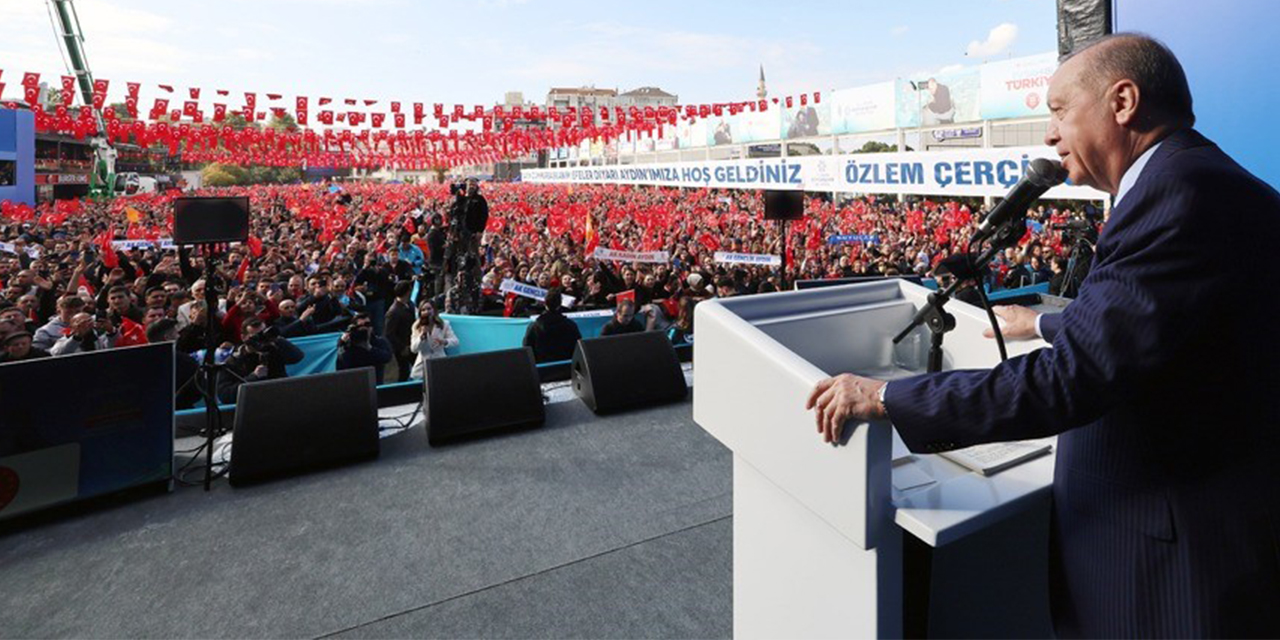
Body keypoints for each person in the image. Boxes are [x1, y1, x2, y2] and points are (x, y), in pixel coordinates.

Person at [805, 34, 1280, 637]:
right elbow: (1165, 328)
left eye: (1059, 110)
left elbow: (1074, 378)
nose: (1050, 135)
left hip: (1172, 560)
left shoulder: (1176, 196)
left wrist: (885, 397)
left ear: (1123, 101)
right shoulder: (1198, 179)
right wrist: (1044, 322)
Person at [522, 288, 581, 364]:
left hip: (541, 370)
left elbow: (527, 349)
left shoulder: (534, 327)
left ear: (545, 303)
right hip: (566, 368)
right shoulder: (571, 325)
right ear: (560, 304)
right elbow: (578, 348)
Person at [336, 313, 393, 384]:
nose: (365, 328)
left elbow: (387, 357)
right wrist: (343, 343)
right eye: (360, 326)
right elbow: (341, 365)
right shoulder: (349, 344)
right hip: (354, 384)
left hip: (375, 383)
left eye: (367, 325)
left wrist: (370, 348)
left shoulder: (379, 341)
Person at [409, 301, 458, 379]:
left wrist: (444, 341)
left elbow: (455, 341)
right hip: (423, 365)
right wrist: (421, 337)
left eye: (429, 309)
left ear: (434, 310)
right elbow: (413, 349)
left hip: (440, 362)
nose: (426, 312)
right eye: (423, 310)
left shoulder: (444, 324)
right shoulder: (416, 326)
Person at [383, 280, 417, 383]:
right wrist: (402, 347)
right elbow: (389, 334)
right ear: (408, 291)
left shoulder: (409, 305)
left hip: (412, 343)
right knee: (404, 371)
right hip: (403, 347)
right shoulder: (393, 312)